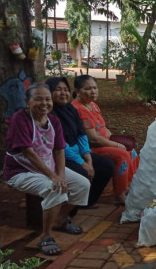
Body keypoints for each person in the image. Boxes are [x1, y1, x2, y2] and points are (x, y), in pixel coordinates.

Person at [4, 84, 91, 256]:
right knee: (56, 189)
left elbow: (59, 150)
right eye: (38, 99)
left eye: (47, 99)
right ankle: (46, 236)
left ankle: (59, 220)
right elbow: (28, 152)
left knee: (83, 184)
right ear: (27, 102)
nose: (44, 103)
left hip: (47, 168)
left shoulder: (54, 121)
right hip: (21, 171)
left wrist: (59, 174)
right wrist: (54, 177)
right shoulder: (20, 119)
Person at [46, 77, 114, 214]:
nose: (63, 93)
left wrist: (87, 157)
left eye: (65, 90)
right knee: (82, 173)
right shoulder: (49, 114)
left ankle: (86, 202)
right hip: (59, 156)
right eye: (58, 90)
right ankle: (67, 214)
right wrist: (82, 162)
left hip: (76, 153)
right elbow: (59, 145)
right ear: (49, 93)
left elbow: (81, 135)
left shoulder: (70, 109)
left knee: (106, 165)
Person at [71, 75, 139, 205]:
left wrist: (114, 139)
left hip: (103, 143)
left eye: (95, 88)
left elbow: (103, 128)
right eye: (88, 88)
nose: (93, 91)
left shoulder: (93, 105)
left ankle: (128, 186)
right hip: (90, 148)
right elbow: (93, 139)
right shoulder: (78, 109)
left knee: (133, 153)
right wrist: (117, 145)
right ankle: (119, 194)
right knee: (123, 155)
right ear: (77, 91)